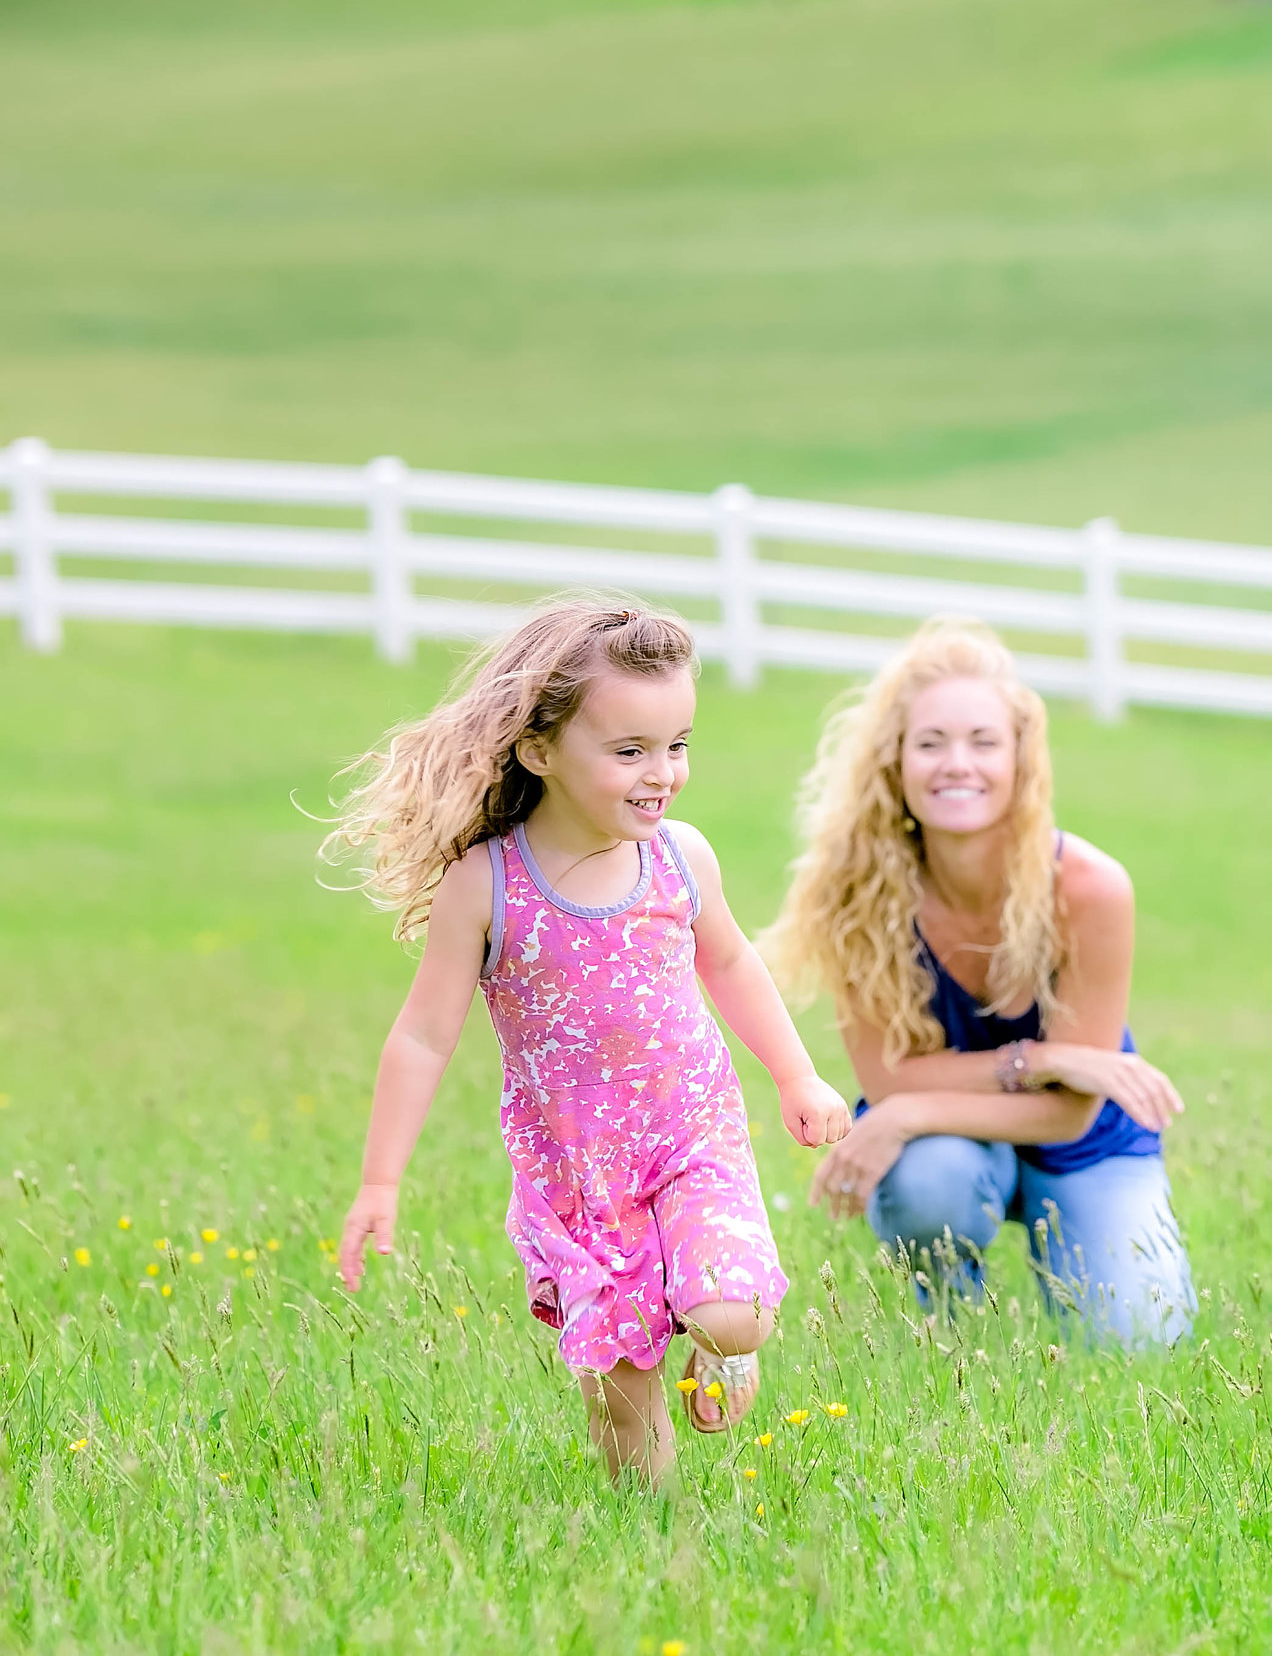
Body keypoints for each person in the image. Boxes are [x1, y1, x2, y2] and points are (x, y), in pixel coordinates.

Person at [324, 599, 850, 1484]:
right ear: (540, 750)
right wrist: (380, 1180)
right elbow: (422, 1035)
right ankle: (652, 1530)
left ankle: (728, 1353)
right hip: (576, 1169)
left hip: (690, 1133)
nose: (664, 773)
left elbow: (731, 963)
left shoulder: (682, 857)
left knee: (735, 1310)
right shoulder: (487, 882)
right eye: (630, 750)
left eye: (677, 744)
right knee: (624, 1390)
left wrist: (797, 1076)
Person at [761, 616, 1194, 1349]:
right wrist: (1043, 1062)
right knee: (930, 1185)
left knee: (1141, 1346)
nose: (956, 763)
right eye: (930, 742)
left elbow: (1069, 1117)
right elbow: (889, 1080)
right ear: (894, 761)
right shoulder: (857, 891)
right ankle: (955, 1335)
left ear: (1022, 759)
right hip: (947, 1139)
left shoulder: (1088, 888)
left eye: (983, 741)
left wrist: (905, 1109)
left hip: (1089, 1141)